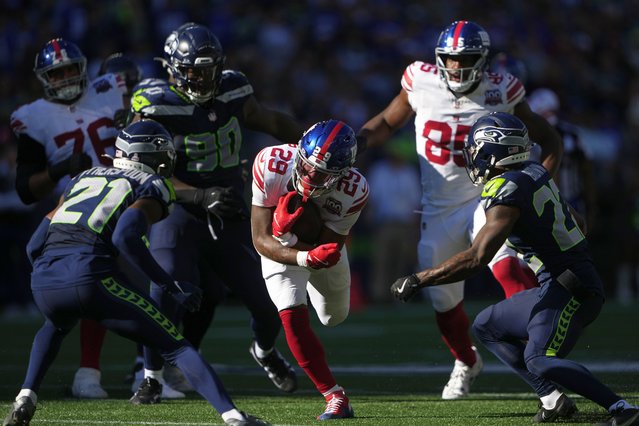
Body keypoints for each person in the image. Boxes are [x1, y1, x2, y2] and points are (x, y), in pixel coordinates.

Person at [3, 120, 269, 426]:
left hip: (46, 280)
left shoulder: (82, 178)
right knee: (176, 345)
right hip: (91, 274)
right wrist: (168, 284)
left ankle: (25, 397)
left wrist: (52, 272)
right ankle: (234, 417)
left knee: (55, 324)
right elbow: (125, 237)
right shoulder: (151, 184)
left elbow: (34, 244)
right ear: (149, 155)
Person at [357, 20, 563, 400]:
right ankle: (466, 360)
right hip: (437, 210)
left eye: (464, 59)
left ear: (482, 61)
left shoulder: (502, 88)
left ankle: (541, 359)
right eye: (449, 59)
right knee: (443, 299)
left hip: (487, 199)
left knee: (508, 269)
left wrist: (538, 183)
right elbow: (388, 121)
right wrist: (359, 141)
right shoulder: (420, 80)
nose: (455, 67)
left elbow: (548, 138)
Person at [390, 112, 639, 425]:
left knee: (539, 360)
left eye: (476, 149)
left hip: (572, 289)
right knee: (486, 325)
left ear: (495, 151)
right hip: (560, 282)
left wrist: (419, 279)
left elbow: (476, 258)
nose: (472, 157)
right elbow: (579, 222)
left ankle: (621, 408)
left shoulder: (508, 191)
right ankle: (552, 399)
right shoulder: (533, 171)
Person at [128, 23, 304, 402]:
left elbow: (272, 122)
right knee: (167, 289)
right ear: (173, 68)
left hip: (229, 210)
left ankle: (264, 352)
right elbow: (139, 169)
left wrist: (310, 149)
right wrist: (198, 194)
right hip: (175, 209)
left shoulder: (233, 88)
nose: (201, 78)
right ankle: (150, 375)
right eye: (192, 70)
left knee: (269, 301)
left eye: (208, 69)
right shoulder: (154, 102)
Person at [10, 38, 127, 399]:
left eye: (69, 70)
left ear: (83, 68)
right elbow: (26, 189)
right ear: (44, 78)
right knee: (86, 284)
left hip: (130, 195)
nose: (64, 78)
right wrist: (58, 167)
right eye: (55, 73)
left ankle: (149, 370)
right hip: (78, 210)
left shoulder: (110, 89)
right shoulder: (32, 117)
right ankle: (88, 372)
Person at [251, 119, 367, 420]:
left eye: (323, 173)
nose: (311, 174)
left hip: (318, 249)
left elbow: (328, 250)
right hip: (278, 245)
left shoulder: (353, 190)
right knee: (292, 316)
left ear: (342, 173)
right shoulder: (271, 162)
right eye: (307, 166)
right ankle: (334, 395)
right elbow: (260, 239)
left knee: (332, 317)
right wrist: (286, 242)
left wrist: (293, 240)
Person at [527, 88, 597, 231]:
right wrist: (591, 203)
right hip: (566, 200)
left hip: (553, 201)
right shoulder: (573, 134)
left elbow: (586, 167)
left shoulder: (535, 137)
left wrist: (591, 202)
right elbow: (587, 168)